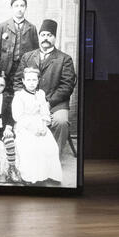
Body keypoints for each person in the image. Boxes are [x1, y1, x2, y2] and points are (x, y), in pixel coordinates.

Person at [15, 18, 76, 153]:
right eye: (43, 35)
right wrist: (25, 100)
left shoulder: (64, 59)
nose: (46, 38)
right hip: (30, 103)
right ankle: (31, 155)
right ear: (39, 37)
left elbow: (67, 86)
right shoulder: (27, 57)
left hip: (55, 103)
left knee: (61, 122)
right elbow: (18, 81)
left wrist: (48, 102)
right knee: (24, 120)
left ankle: (53, 156)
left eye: (50, 35)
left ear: (55, 38)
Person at [12, 66, 63, 185]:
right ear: (23, 81)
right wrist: (33, 128)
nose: (31, 83)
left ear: (38, 80)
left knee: (50, 145)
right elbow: (18, 116)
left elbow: (45, 112)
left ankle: (49, 174)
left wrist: (44, 126)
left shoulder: (41, 93)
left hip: (40, 124)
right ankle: (30, 176)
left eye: (34, 80)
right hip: (25, 126)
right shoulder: (19, 95)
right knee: (31, 147)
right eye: (28, 80)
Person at [0, 0, 38, 87]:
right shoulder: (3, 26)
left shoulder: (32, 28)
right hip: (6, 69)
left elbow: (36, 52)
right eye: (16, 6)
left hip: (25, 68)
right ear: (11, 7)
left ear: (26, 7)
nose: (19, 9)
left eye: (22, 5)